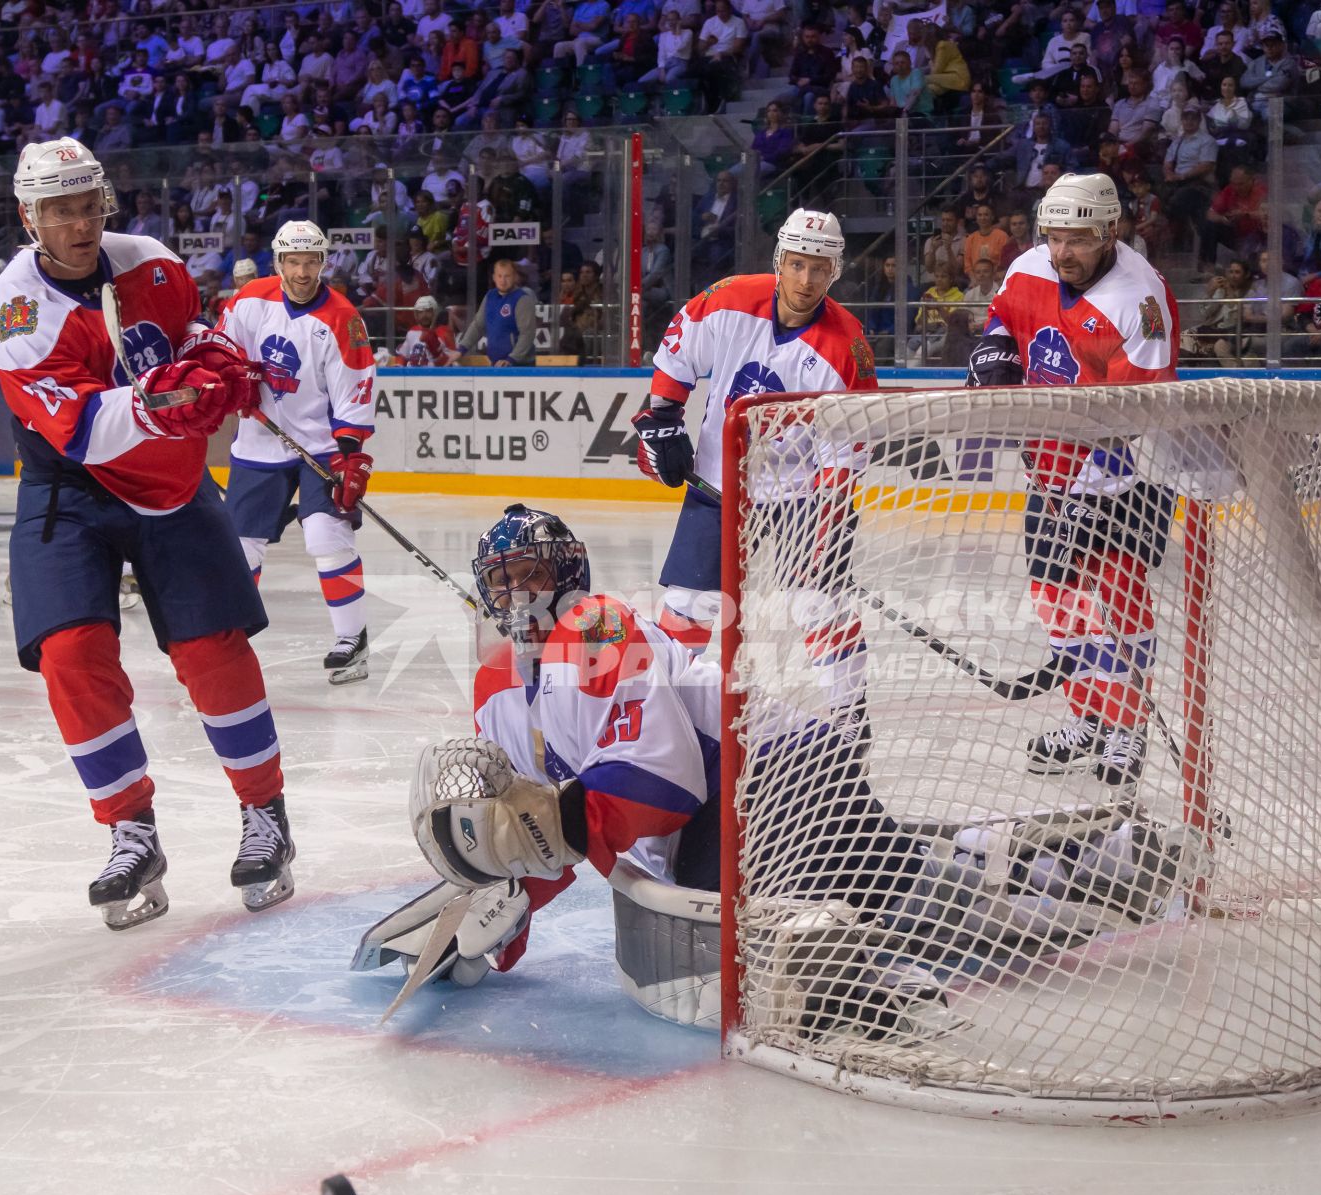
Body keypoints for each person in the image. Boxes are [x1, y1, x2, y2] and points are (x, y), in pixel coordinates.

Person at [354, 506, 1196, 1031]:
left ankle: (1086, 867)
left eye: (536, 575)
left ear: (570, 577)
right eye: (505, 583)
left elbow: (663, 783)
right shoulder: (498, 685)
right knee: (901, 891)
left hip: (785, 781)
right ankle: (1065, 863)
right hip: (739, 806)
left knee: (844, 936)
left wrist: (544, 841)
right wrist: (494, 909)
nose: (520, 597)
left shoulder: (598, 628)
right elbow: (536, 827)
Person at [0, 137, 295, 931]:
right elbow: (84, 430)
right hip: (70, 486)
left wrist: (214, 355)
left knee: (211, 648)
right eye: (61, 211)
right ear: (30, 218)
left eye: (89, 206)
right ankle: (131, 828)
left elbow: (183, 337)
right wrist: (168, 400)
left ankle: (266, 815)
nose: (80, 223)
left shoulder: (151, 263)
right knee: (69, 651)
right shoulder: (16, 308)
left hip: (170, 480)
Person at [966, 173, 1178, 788]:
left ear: (1110, 231)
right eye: (1055, 238)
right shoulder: (1031, 266)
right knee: (1060, 603)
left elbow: (1141, 415)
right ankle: (1090, 715)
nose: (1063, 254)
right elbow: (1001, 319)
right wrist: (995, 350)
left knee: (1119, 597)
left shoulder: (1141, 300)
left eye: (1078, 240)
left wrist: (1091, 487)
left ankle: (1126, 727)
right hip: (1050, 473)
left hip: (1126, 478)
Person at [632, 208, 879, 697]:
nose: (806, 280)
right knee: (690, 603)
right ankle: (661, 707)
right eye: (796, 264)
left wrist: (824, 526)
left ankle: (851, 719)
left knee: (819, 603)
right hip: (719, 480)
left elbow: (846, 453)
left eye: (819, 268)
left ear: (835, 271)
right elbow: (678, 352)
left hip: (801, 493)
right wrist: (660, 420)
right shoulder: (730, 299)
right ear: (779, 260)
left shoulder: (847, 347)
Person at [218, 220, 380, 686]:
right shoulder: (249, 300)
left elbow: (356, 388)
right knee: (241, 549)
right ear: (279, 262)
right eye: (294, 261)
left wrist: (351, 456)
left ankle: (352, 639)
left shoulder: (343, 318)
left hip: (320, 444)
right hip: (258, 441)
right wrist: (235, 383)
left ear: (323, 263)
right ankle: (229, 642)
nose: (303, 271)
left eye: (311, 261)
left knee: (327, 538)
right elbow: (219, 351)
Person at [457, 256, 536, 366]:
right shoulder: (490, 296)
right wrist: (461, 350)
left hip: (520, 366)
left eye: (507, 276)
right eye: (499, 276)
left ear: (515, 277)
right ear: (494, 277)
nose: (503, 281)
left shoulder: (522, 299)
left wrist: (511, 359)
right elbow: (478, 326)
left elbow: (527, 334)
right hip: (497, 364)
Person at [397, 294, 457, 366]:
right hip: (413, 375)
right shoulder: (412, 331)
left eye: (428, 311)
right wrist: (398, 366)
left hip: (435, 375)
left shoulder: (445, 332)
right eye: (420, 312)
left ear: (435, 312)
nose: (424, 315)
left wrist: (436, 353)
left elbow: (451, 364)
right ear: (416, 315)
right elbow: (403, 356)